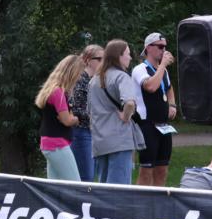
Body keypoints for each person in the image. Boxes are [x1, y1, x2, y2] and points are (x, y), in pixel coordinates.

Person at [88, 39, 142, 185]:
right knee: (119, 191)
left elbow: (90, 112)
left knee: (103, 188)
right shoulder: (121, 77)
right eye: (128, 54)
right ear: (119, 55)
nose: (130, 57)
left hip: (100, 142)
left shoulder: (94, 80)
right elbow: (130, 102)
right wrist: (125, 116)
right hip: (119, 140)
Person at [131, 32, 177, 187]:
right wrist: (162, 65)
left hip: (164, 125)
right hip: (147, 125)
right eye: (160, 46)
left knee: (162, 169)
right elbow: (150, 86)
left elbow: (169, 89)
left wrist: (172, 104)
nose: (164, 50)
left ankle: (157, 206)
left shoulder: (164, 71)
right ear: (148, 48)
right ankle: (140, 207)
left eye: (165, 47)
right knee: (146, 171)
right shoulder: (140, 69)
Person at [34, 54, 80, 180]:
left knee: (55, 187)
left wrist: (70, 118)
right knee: (75, 185)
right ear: (72, 73)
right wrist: (76, 119)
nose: (79, 77)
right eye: (79, 73)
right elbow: (67, 120)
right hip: (57, 144)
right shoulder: (58, 92)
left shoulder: (52, 90)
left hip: (49, 143)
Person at [68, 44, 103, 181]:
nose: (103, 63)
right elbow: (75, 109)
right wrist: (99, 116)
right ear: (88, 60)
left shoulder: (95, 80)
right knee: (85, 177)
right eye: (99, 59)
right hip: (81, 133)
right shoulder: (80, 79)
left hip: (93, 132)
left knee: (91, 176)